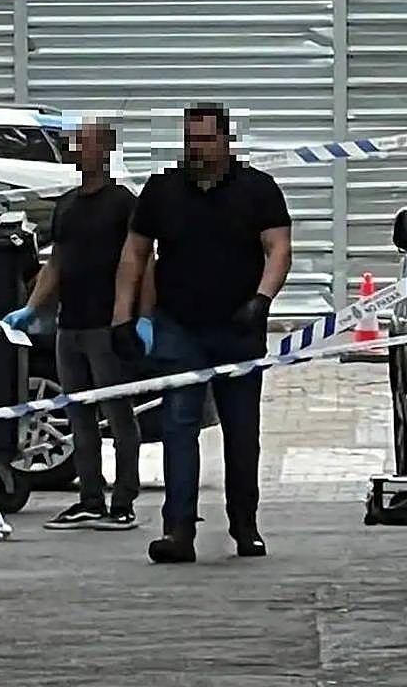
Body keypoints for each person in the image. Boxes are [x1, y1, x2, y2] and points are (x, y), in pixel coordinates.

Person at [112, 102, 292, 564]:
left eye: (206, 139)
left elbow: (278, 249)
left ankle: (245, 525)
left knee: (241, 431)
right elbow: (135, 255)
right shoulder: (162, 190)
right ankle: (178, 530)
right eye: (191, 139)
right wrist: (123, 319)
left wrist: (262, 300)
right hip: (180, 328)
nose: (197, 148)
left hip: (237, 328)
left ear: (227, 141)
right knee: (178, 425)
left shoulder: (258, 189)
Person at [2, 120, 151, 531]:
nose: (77, 148)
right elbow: (57, 262)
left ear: (105, 150)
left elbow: (142, 260)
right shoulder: (67, 204)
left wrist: (142, 318)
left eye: (85, 142)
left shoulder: (123, 202)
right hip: (71, 325)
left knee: (118, 415)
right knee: (79, 414)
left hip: (108, 325)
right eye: (75, 142)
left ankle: (123, 501)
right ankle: (90, 498)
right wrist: (32, 308)